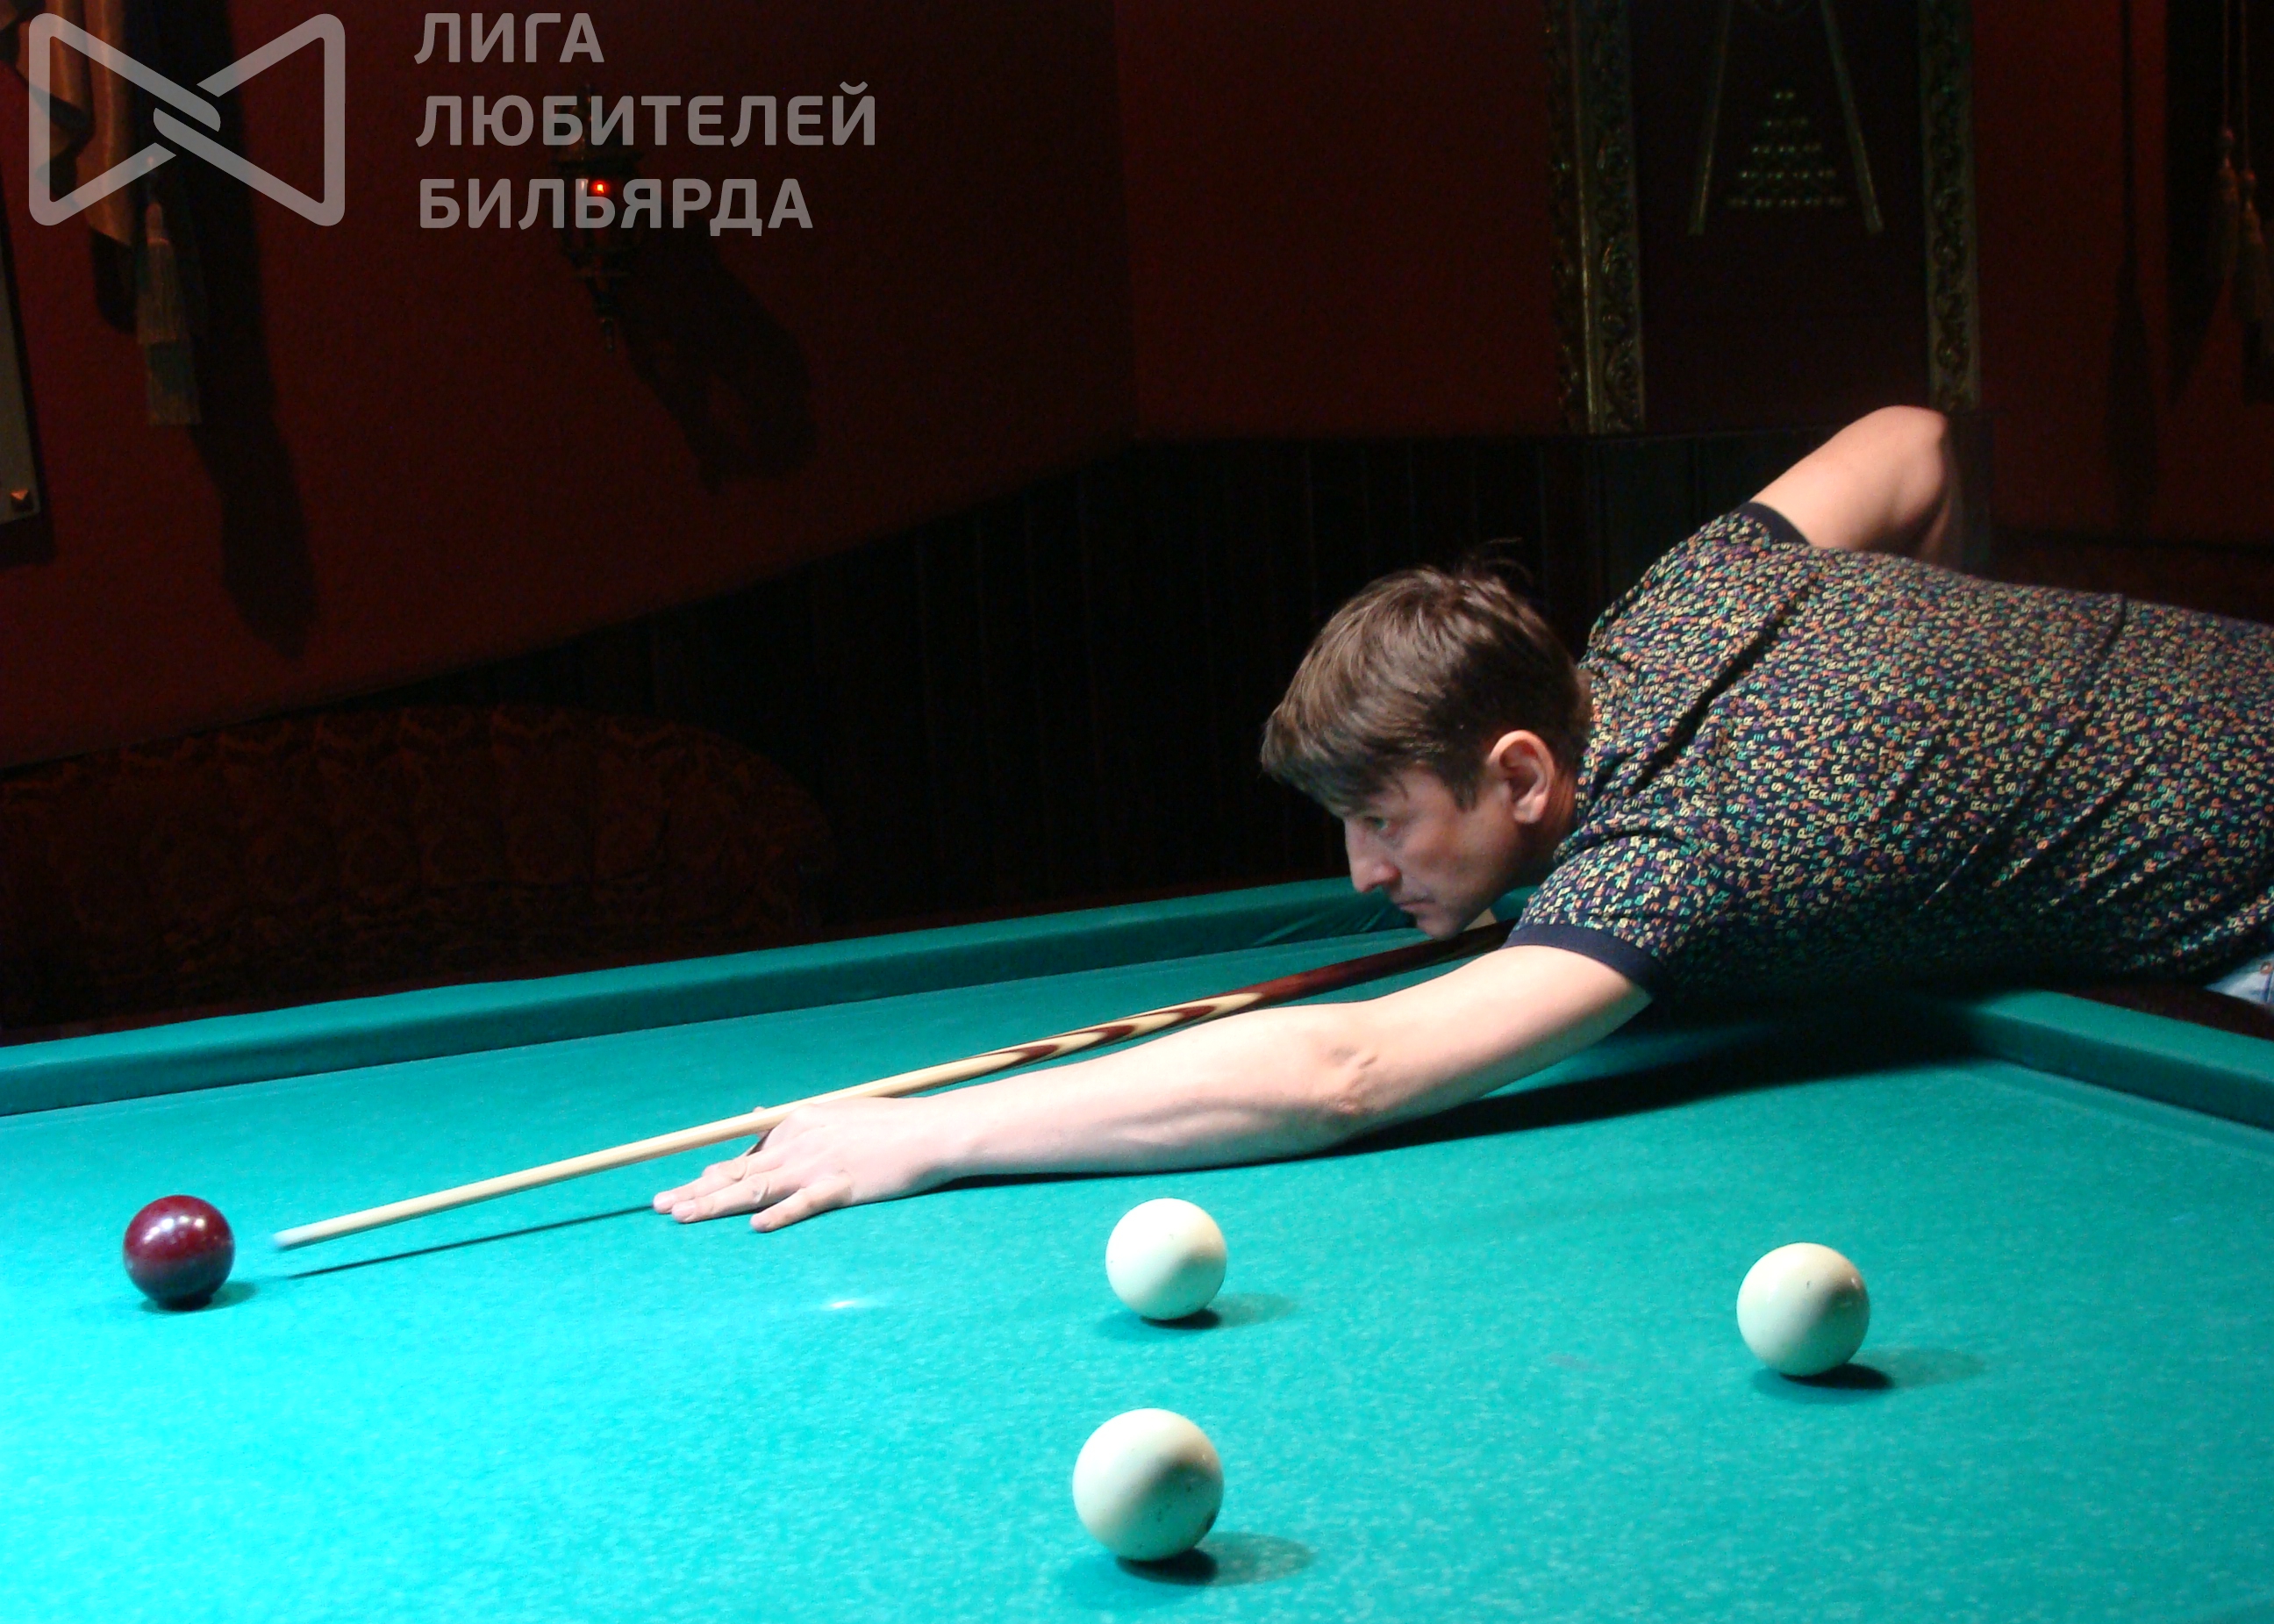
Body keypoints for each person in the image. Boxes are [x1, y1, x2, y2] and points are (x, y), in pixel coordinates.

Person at [654, 406, 2274, 1234]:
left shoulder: (1679, 853)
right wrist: (1982, 713)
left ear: (1521, 776)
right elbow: (1915, 442)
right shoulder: (1682, 600)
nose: (1366, 877)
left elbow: (1350, 1073)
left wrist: (927, 1131)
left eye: (1386, 823)